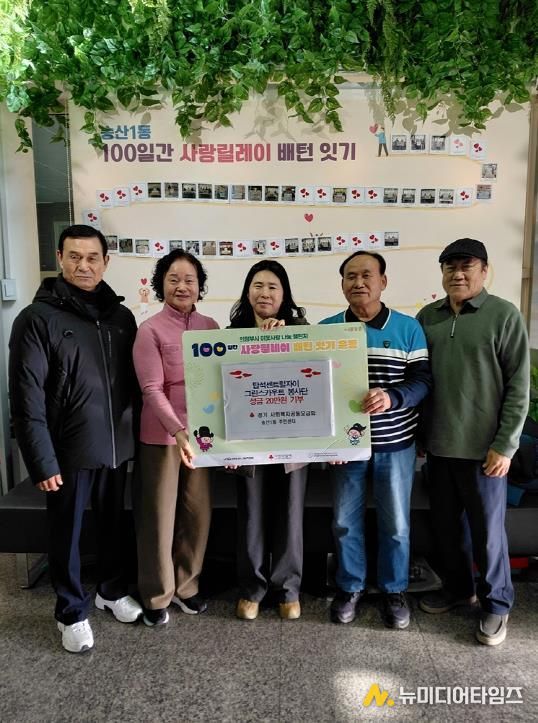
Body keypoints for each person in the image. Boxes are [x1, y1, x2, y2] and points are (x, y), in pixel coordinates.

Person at [9, 224, 142, 653]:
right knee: (66, 531)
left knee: (113, 523)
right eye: (74, 257)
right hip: (67, 448)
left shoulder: (121, 318)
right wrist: (41, 460)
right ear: (60, 259)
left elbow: (136, 383)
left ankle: (110, 590)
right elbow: (26, 396)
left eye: (92, 258)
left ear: (106, 262)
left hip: (116, 445)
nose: (84, 265)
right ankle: (70, 611)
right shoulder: (37, 319)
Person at [417, 238, 529, 646]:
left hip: (485, 452)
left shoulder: (503, 314)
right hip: (438, 447)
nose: (458, 274)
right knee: (446, 530)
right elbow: (420, 381)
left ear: (484, 270)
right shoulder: (428, 316)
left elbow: (519, 386)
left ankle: (497, 604)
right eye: (450, 267)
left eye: (466, 266)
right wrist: (420, 435)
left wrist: (506, 445)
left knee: (488, 535)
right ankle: (458, 589)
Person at [320, 251, 431, 629]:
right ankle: (350, 586)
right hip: (345, 447)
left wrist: (392, 397)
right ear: (342, 284)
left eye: (367, 275)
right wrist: (327, 443)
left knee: (396, 524)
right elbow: (314, 391)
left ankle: (394, 589)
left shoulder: (408, 328)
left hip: (396, 443)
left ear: (383, 281)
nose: (358, 282)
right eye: (350, 276)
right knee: (343, 522)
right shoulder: (327, 329)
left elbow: (422, 382)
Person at [132, 249, 218, 626]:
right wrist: (178, 431)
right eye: (173, 279)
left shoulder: (211, 327)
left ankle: (188, 587)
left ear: (199, 286)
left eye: (189, 280)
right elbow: (151, 389)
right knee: (159, 518)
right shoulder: (149, 330)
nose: (182, 286)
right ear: (161, 285)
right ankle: (156, 595)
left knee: (197, 515)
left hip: (203, 438)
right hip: (162, 438)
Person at [229, 259, 308, 621]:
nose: (265, 293)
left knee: (291, 514)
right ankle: (252, 589)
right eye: (258, 285)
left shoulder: (301, 331)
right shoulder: (231, 335)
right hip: (246, 441)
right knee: (251, 514)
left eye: (273, 287)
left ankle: (288, 590)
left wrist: (282, 337)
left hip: (293, 440)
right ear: (247, 291)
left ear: (284, 294)